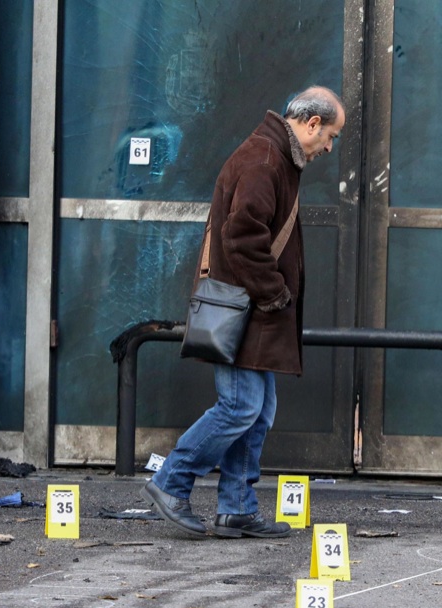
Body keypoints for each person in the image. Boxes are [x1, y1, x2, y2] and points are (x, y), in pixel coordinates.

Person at [142, 86, 346, 539]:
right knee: (240, 406)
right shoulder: (265, 160)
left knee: (258, 409)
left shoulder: (275, 155)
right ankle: (171, 481)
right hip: (246, 308)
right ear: (311, 124)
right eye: (330, 136)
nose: (329, 147)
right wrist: (274, 293)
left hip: (250, 310)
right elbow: (242, 236)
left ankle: (236, 506)